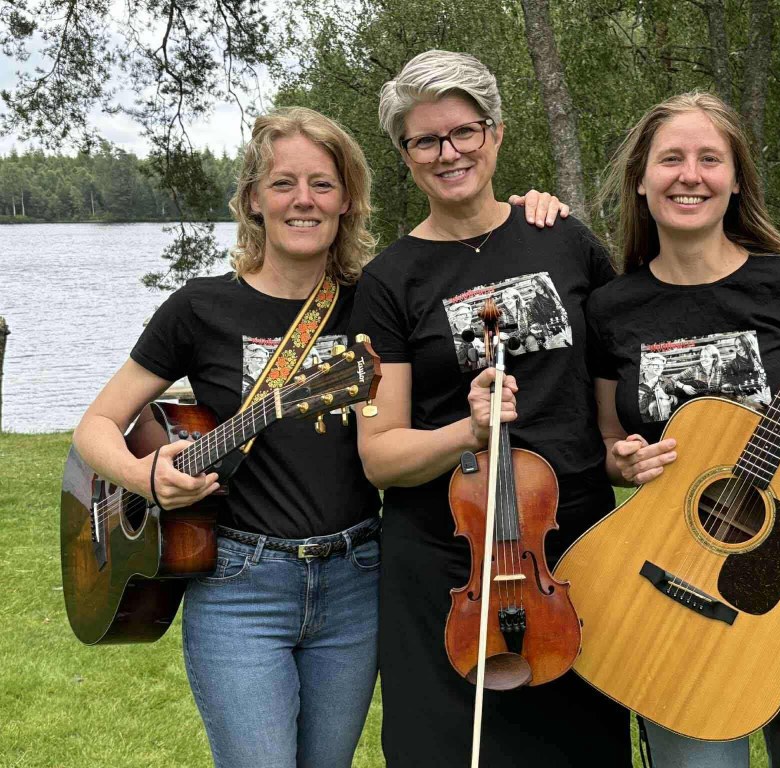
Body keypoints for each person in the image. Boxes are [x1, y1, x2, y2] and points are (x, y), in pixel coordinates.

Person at [73, 107, 384, 767]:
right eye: (283, 183)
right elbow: (95, 426)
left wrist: (532, 211)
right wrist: (142, 476)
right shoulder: (199, 307)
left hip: (356, 580)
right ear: (252, 200)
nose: (303, 199)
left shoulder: (376, 301)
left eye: (323, 184)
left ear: (347, 200)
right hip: (239, 587)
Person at [351, 50, 632, 767]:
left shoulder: (563, 238)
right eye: (425, 140)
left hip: (569, 552)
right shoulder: (387, 282)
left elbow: (638, 333)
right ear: (406, 157)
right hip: (450, 567)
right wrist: (465, 431)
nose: (448, 153)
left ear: (497, 133)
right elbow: (380, 457)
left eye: (464, 132)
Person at [586, 91, 780, 767]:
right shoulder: (611, 308)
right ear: (640, 178)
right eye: (671, 159)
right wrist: (622, 462)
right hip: (670, 588)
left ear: (737, 179)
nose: (690, 175)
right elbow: (606, 445)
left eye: (710, 159)